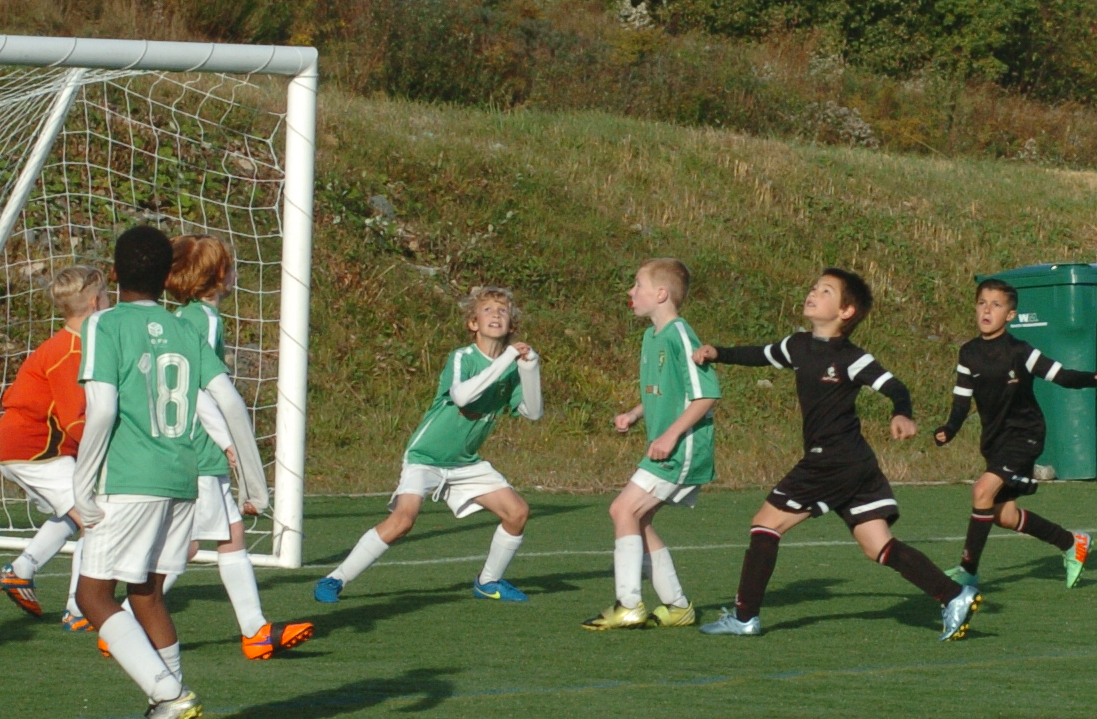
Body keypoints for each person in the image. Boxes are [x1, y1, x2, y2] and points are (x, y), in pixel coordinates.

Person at [693, 268, 977, 640]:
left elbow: (895, 387)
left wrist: (901, 413)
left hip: (832, 460)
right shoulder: (797, 345)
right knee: (878, 546)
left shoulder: (851, 357)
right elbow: (758, 354)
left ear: (846, 311)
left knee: (765, 524)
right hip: (854, 463)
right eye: (814, 287)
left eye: (825, 291)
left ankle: (745, 617)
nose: (813, 293)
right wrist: (719, 353)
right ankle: (954, 594)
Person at [73, 224, 270, 719]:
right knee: (147, 594)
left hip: (127, 480)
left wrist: (82, 486)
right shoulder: (184, 327)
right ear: (167, 277)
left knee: (92, 596)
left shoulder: (104, 323)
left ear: (114, 274)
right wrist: (256, 484)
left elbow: (103, 410)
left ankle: (169, 697)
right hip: (184, 478)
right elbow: (231, 403)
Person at [314, 287, 541, 605]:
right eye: (488, 309)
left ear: (511, 324)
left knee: (517, 512)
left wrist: (530, 369)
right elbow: (462, 396)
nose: (496, 314)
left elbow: (533, 412)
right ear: (473, 323)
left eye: (502, 311)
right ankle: (335, 578)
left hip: (465, 462)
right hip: (426, 457)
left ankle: (488, 582)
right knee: (403, 521)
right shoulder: (462, 357)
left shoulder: (511, 369)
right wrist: (506, 359)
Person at [165, 236, 312, 659]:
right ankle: (121, 621)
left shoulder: (182, 316)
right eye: (230, 265)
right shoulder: (203, 319)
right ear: (219, 274)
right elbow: (198, 390)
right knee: (190, 544)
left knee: (227, 534)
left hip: (183, 443)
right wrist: (228, 440)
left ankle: (255, 630)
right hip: (199, 444)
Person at [932, 278, 1097, 589]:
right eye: (982, 303)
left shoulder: (1020, 351)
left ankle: (968, 570)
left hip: (1025, 435)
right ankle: (1072, 542)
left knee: (982, 492)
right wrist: (949, 429)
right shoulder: (968, 353)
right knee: (1003, 515)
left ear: (1010, 315)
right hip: (995, 440)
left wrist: (1091, 378)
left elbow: (1061, 376)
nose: (987, 310)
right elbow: (961, 401)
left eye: (996, 305)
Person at [585, 258, 719, 630]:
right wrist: (634, 413)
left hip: (684, 448)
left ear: (660, 294)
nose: (631, 291)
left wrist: (671, 435)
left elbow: (706, 395)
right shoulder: (651, 337)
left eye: (638, 284)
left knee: (622, 509)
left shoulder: (680, 335)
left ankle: (628, 604)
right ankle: (677, 606)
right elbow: (669, 392)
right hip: (667, 446)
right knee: (638, 520)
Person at [0, 263, 108, 623]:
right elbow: (74, 421)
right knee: (96, 520)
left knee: (74, 513)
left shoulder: (75, 343)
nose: (111, 300)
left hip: (29, 447)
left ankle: (21, 569)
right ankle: (80, 608)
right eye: (107, 294)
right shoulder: (70, 350)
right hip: (37, 449)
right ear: (95, 302)